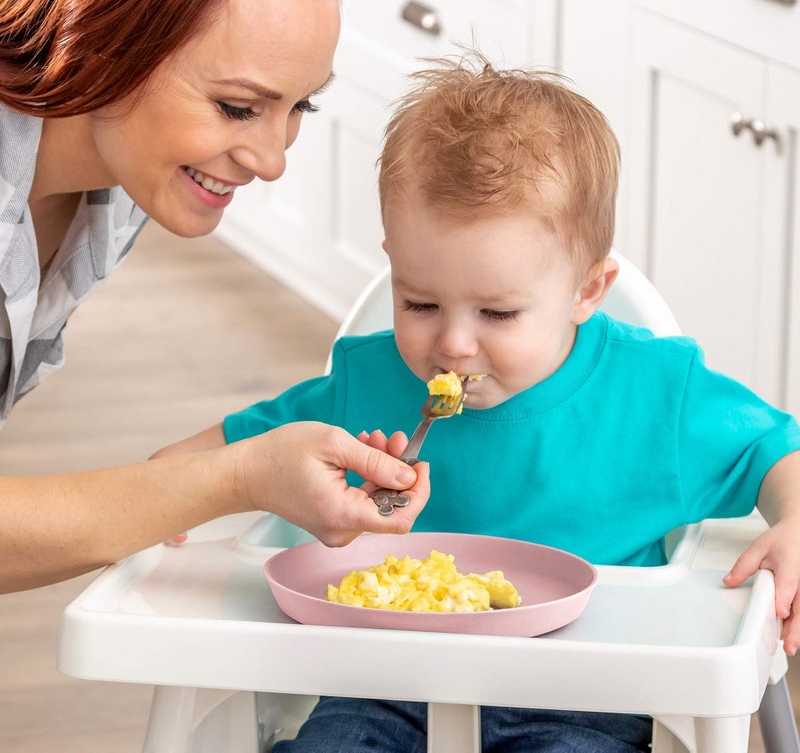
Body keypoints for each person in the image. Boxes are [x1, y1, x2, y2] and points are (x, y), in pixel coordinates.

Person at [152, 51, 800, 752]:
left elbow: (772, 447)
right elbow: (242, 451)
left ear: (586, 291)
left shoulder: (654, 393)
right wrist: (164, 488)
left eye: (497, 314)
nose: (453, 346)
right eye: (420, 302)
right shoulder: (365, 382)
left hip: (587, 697)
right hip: (384, 686)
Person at [0, 0, 430, 595]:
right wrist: (240, 478)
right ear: (99, 41)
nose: (272, 160)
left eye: (300, 107)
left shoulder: (120, 186)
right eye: (236, 107)